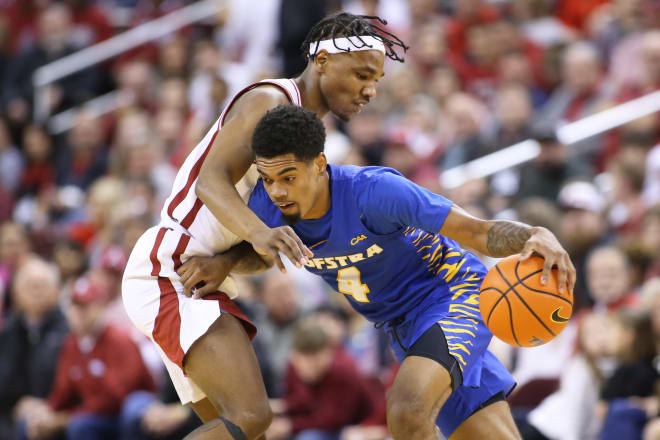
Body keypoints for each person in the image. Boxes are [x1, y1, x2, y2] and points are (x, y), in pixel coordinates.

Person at [187, 104, 576, 439]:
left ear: (320, 165)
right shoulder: (267, 207)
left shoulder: (376, 192)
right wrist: (224, 263)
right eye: (268, 179)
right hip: (401, 327)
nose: (278, 191)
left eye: (289, 177)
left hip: (453, 293)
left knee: (406, 410)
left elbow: (473, 230)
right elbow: (265, 252)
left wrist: (534, 234)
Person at [122, 12, 408, 440]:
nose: (370, 89)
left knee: (239, 430)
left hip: (200, 273)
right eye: (363, 73)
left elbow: (261, 252)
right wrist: (258, 235)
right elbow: (210, 182)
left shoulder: (306, 136)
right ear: (324, 61)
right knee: (252, 417)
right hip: (168, 265)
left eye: (377, 79)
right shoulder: (271, 100)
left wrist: (229, 261)